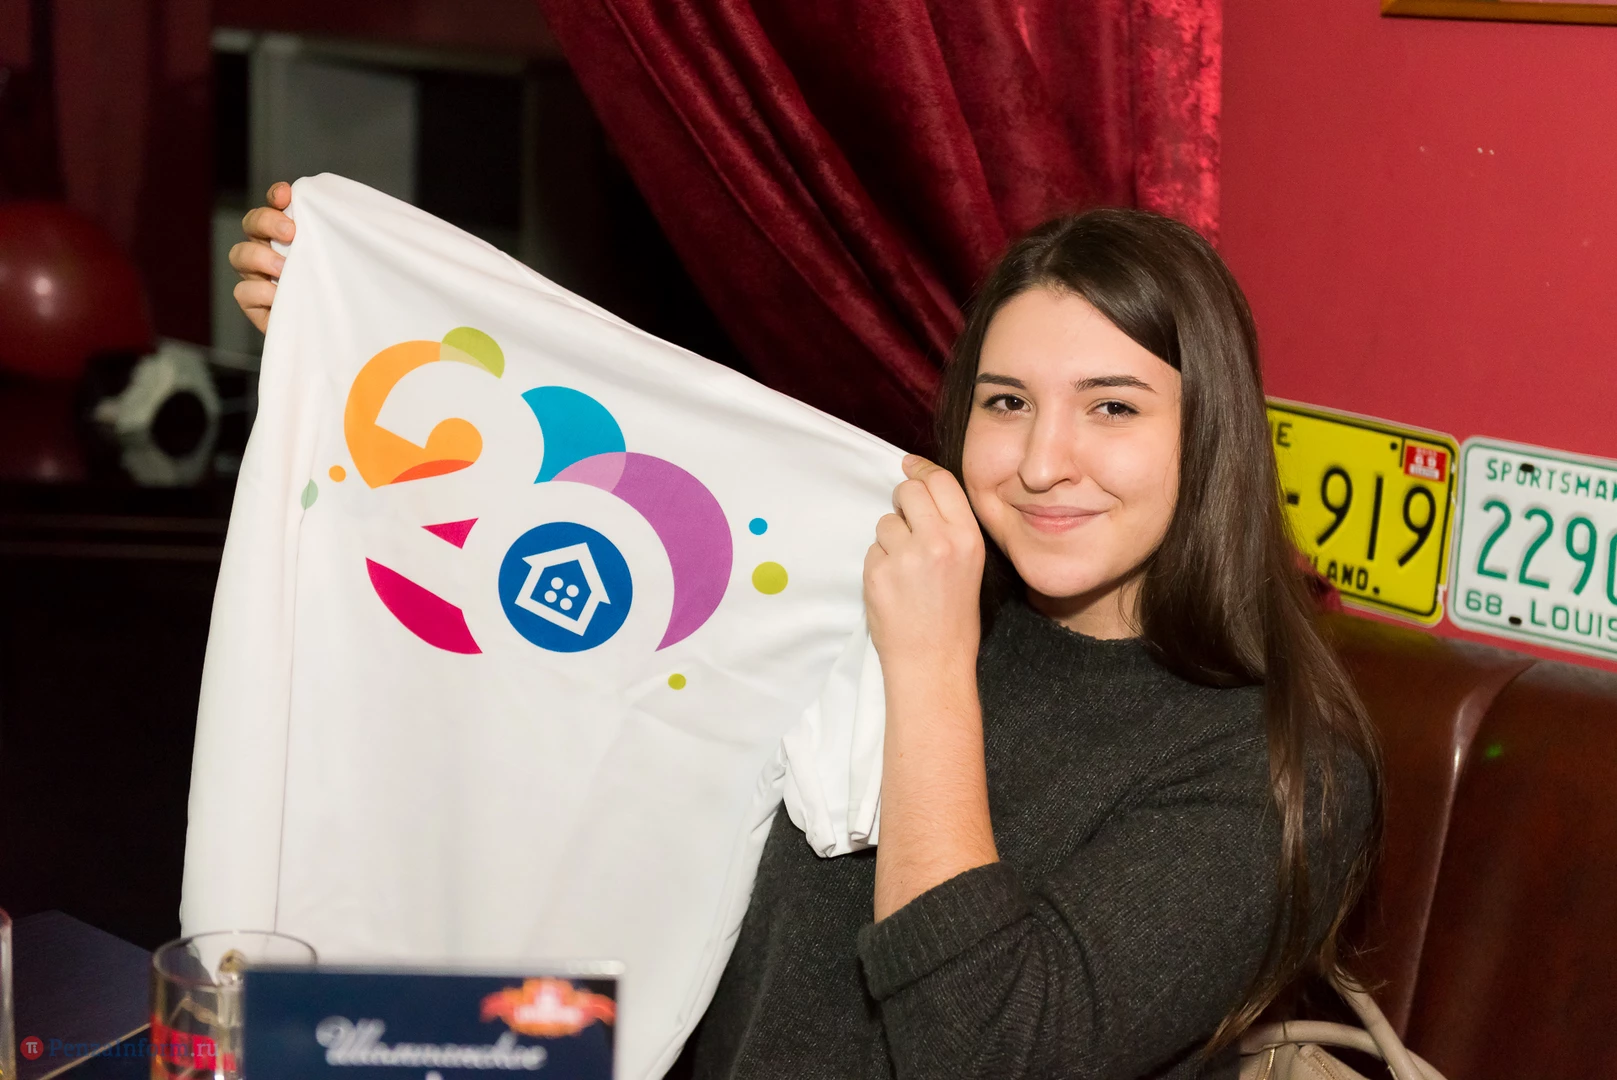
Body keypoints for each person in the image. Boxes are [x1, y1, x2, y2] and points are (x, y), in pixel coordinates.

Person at [233, 190, 1378, 1080]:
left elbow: (986, 1054)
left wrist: (928, 667)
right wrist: (357, 345)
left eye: (1112, 406)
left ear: (1210, 433)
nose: (1041, 461)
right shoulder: (865, 591)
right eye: (1007, 401)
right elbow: (566, 682)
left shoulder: (1279, 763)